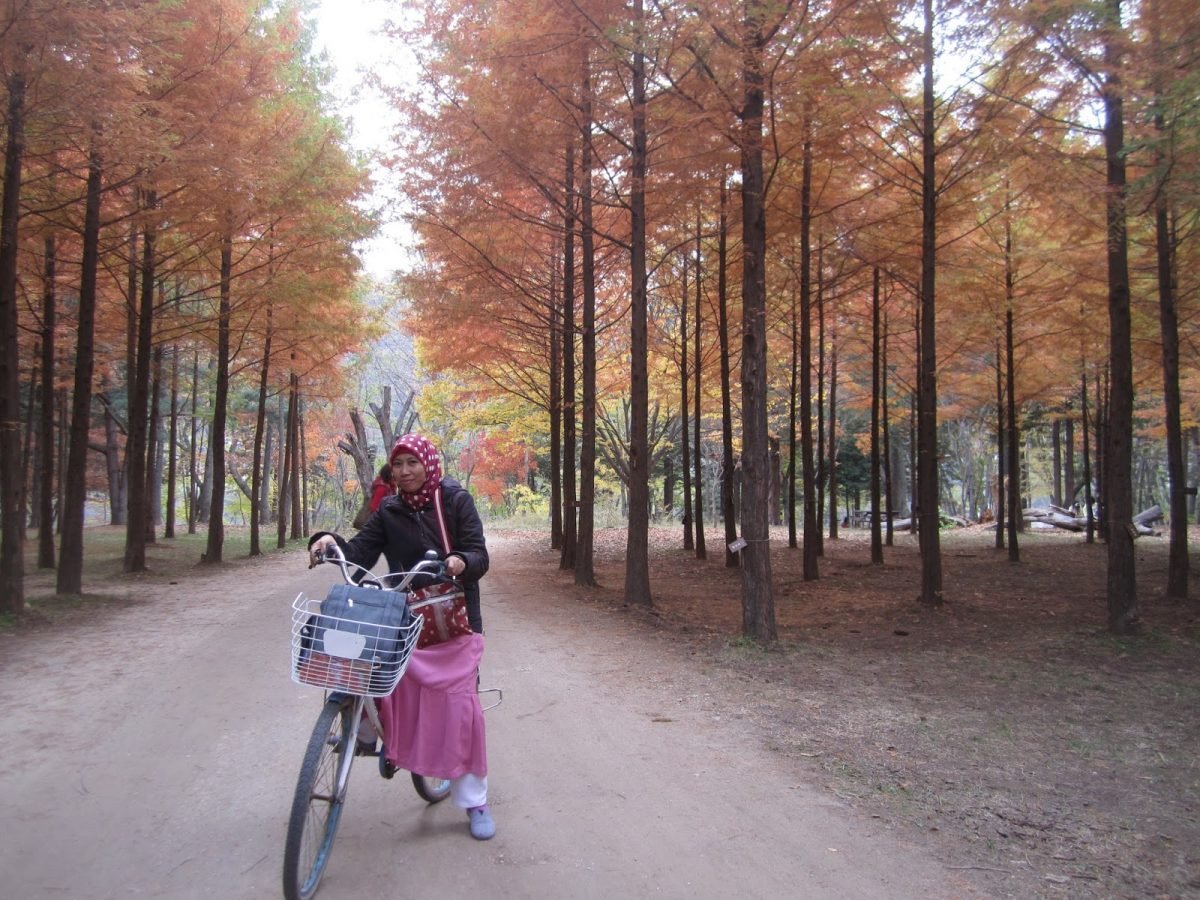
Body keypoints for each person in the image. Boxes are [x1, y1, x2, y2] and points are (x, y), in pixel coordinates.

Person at [308, 433, 495, 840]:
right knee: (381, 677)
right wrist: (328, 542)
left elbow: (480, 555)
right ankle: (385, 741)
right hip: (405, 614)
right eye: (398, 464)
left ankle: (474, 801)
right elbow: (358, 553)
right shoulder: (389, 508)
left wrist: (461, 561)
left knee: (460, 710)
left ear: (428, 463)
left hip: (453, 617)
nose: (406, 471)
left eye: (413, 462)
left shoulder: (454, 500)